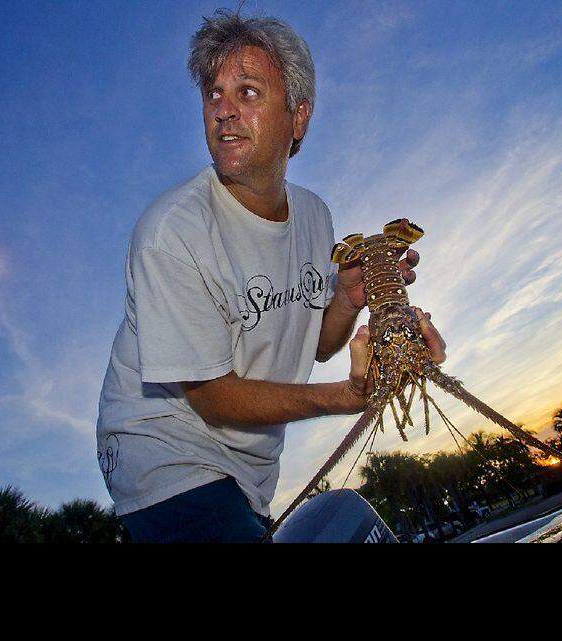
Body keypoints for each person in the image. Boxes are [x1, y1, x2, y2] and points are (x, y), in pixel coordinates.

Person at [95, 9, 446, 543]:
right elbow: (213, 397)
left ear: (298, 117)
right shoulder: (172, 233)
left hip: (250, 470)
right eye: (214, 95)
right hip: (161, 452)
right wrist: (346, 396)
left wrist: (347, 299)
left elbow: (316, 344)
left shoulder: (315, 216)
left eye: (248, 92)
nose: (224, 111)